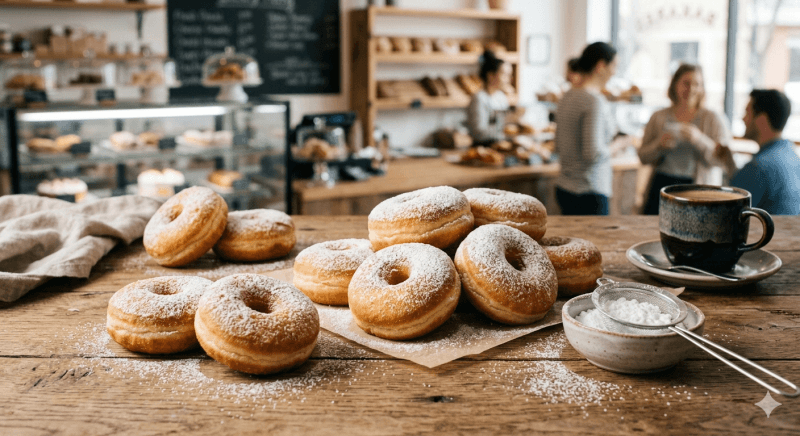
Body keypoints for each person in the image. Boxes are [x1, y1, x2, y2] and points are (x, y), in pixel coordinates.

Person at [638, 64, 731, 215]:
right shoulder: (658, 117)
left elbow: (724, 160)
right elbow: (643, 157)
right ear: (675, 84)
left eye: (697, 84)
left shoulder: (713, 118)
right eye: (686, 83)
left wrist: (698, 139)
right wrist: (659, 145)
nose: (691, 88)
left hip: (697, 188)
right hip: (661, 183)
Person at [554, 42, 617, 215]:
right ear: (601, 66)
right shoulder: (593, 101)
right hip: (589, 192)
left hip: (564, 188)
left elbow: (557, 146)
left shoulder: (566, 96)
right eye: (614, 66)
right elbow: (592, 154)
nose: (615, 72)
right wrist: (621, 144)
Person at [716, 89, 800, 215]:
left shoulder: (758, 167)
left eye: (747, 112)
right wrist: (729, 163)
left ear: (762, 119)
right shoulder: (791, 154)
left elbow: (727, 214)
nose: (743, 119)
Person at [467, 50, 514, 145]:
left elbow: (504, 126)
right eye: (504, 75)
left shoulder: (501, 97)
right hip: (483, 149)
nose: (509, 79)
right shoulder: (479, 98)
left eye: (509, 75)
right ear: (490, 76)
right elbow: (478, 134)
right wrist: (504, 128)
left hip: (500, 146)